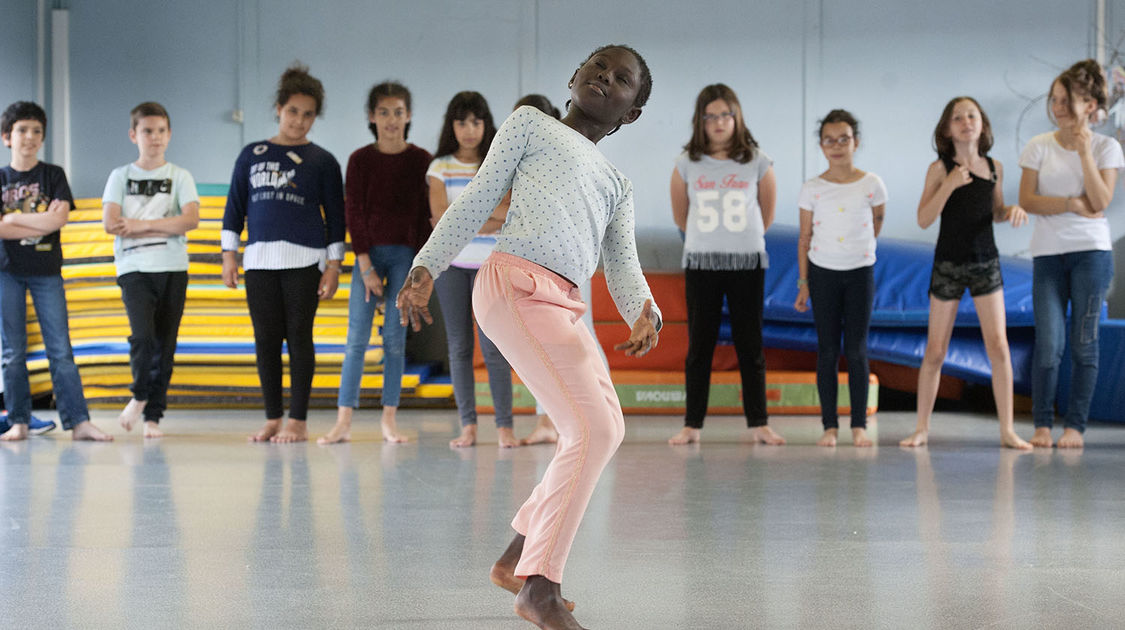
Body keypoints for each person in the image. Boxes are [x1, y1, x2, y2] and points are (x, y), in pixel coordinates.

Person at [398, 44, 660, 630]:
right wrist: (425, 267)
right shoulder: (530, 125)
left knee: (606, 428)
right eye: (596, 67)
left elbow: (622, 265)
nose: (603, 79)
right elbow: (476, 201)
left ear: (631, 113)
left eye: (621, 80)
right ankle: (540, 588)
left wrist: (646, 310)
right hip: (513, 283)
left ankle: (518, 558)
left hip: (565, 304)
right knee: (588, 428)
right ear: (573, 76)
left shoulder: (617, 182)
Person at [221, 64, 346, 443]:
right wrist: (229, 254)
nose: (299, 121)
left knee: (299, 337)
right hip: (258, 261)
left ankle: (298, 420)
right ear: (279, 109)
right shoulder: (251, 154)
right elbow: (234, 208)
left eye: (308, 114)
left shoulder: (323, 161)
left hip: (305, 261)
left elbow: (335, 218)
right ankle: (273, 417)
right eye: (293, 111)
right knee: (265, 340)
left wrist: (334, 265)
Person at [899, 97, 1031, 449]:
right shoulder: (940, 168)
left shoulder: (994, 167)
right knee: (936, 351)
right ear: (947, 129)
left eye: (972, 115)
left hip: (986, 262)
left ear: (983, 125)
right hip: (949, 265)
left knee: (999, 346)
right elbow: (924, 218)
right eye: (957, 117)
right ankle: (922, 428)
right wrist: (949, 185)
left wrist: (1012, 211)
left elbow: (997, 210)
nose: (966, 121)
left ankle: (1007, 429)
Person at [668, 83, 784, 446]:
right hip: (702, 263)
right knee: (699, 345)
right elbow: (681, 218)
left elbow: (766, 213)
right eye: (710, 116)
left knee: (750, 344)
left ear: (736, 118)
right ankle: (692, 423)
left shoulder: (757, 161)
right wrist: (711, 241)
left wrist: (739, 242)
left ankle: (759, 421)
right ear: (700, 121)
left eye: (725, 115)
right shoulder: (687, 163)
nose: (718, 123)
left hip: (747, 262)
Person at [317, 81, 431, 445]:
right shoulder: (360, 160)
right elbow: (354, 212)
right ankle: (344, 420)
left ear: (409, 115)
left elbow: (423, 216)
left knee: (395, 340)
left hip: (405, 257)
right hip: (368, 254)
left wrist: (418, 269)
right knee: (356, 338)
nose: (391, 120)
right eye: (384, 112)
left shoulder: (420, 161)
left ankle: (389, 419)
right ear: (372, 117)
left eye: (398, 112)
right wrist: (364, 264)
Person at [1018, 59, 1124, 449]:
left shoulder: (1106, 146)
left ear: (1092, 106)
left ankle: (1076, 426)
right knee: (1049, 344)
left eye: (1069, 101)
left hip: (1092, 256)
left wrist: (1084, 154)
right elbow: (1028, 200)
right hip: (1048, 255)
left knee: (1084, 343)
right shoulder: (1038, 146)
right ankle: (1042, 423)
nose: (1059, 107)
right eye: (1055, 100)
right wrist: (1069, 203)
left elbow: (1099, 201)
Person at [0, 101, 112, 442]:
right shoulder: (1, 178)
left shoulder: (53, 175)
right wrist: (39, 221)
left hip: (47, 272)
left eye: (36, 131)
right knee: (12, 351)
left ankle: (79, 422)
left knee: (60, 349)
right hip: (6, 273)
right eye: (22, 130)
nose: (30, 137)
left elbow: (58, 220)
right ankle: (18, 420)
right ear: (7, 137)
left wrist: (13, 218)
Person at [102, 102, 200, 439]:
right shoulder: (121, 176)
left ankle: (153, 416)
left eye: (161, 131)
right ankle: (139, 394)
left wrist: (140, 225)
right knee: (143, 337)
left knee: (165, 346)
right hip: (134, 268)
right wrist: (164, 226)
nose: (154, 138)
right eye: (147, 131)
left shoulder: (180, 176)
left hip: (173, 268)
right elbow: (110, 223)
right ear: (134, 135)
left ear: (169, 135)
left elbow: (190, 220)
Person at [427, 91, 516, 448]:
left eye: (476, 121)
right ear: (452, 126)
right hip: (451, 267)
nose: (469, 129)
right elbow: (439, 219)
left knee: (494, 347)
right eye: (462, 122)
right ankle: (468, 425)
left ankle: (505, 427)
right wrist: (483, 216)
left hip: (490, 268)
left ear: (486, 125)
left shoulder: (498, 163)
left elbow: (508, 213)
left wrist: (462, 218)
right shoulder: (440, 167)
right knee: (460, 347)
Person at [793, 110, 885, 448]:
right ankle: (829, 425)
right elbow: (805, 237)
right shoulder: (812, 188)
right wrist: (803, 283)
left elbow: (876, 222)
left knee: (857, 349)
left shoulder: (872, 184)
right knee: (828, 349)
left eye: (843, 139)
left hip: (860, 272)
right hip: (822, 272)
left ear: (855, 142)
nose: (836, 146)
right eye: (829, 140)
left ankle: (858, 424)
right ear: (821, 146)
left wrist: (857, 251)